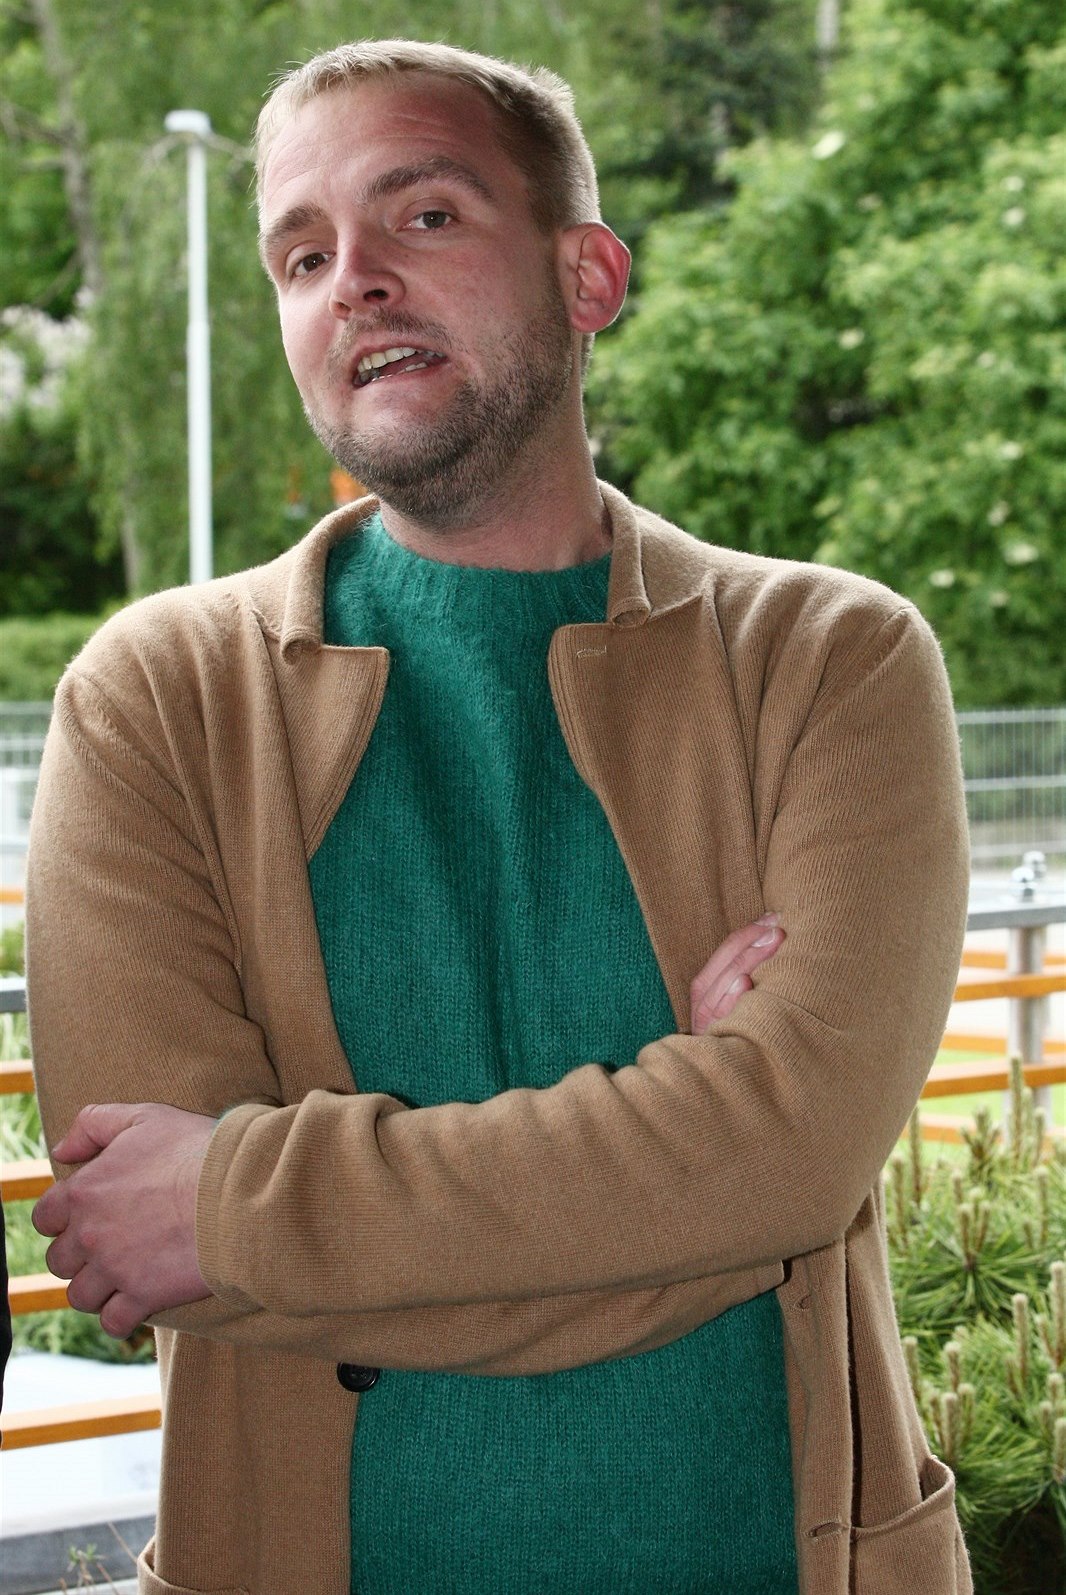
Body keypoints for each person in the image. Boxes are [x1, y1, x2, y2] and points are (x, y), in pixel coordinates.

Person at [26, 39, 971, 1595]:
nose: (355, 282)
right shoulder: (157, 697)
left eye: (425, 216)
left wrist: (247, 1207)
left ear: (586, 276)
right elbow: (146, 1240)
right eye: (303, 254)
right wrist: (702, 1180)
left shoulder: (825, 660)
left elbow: (787, 1157)